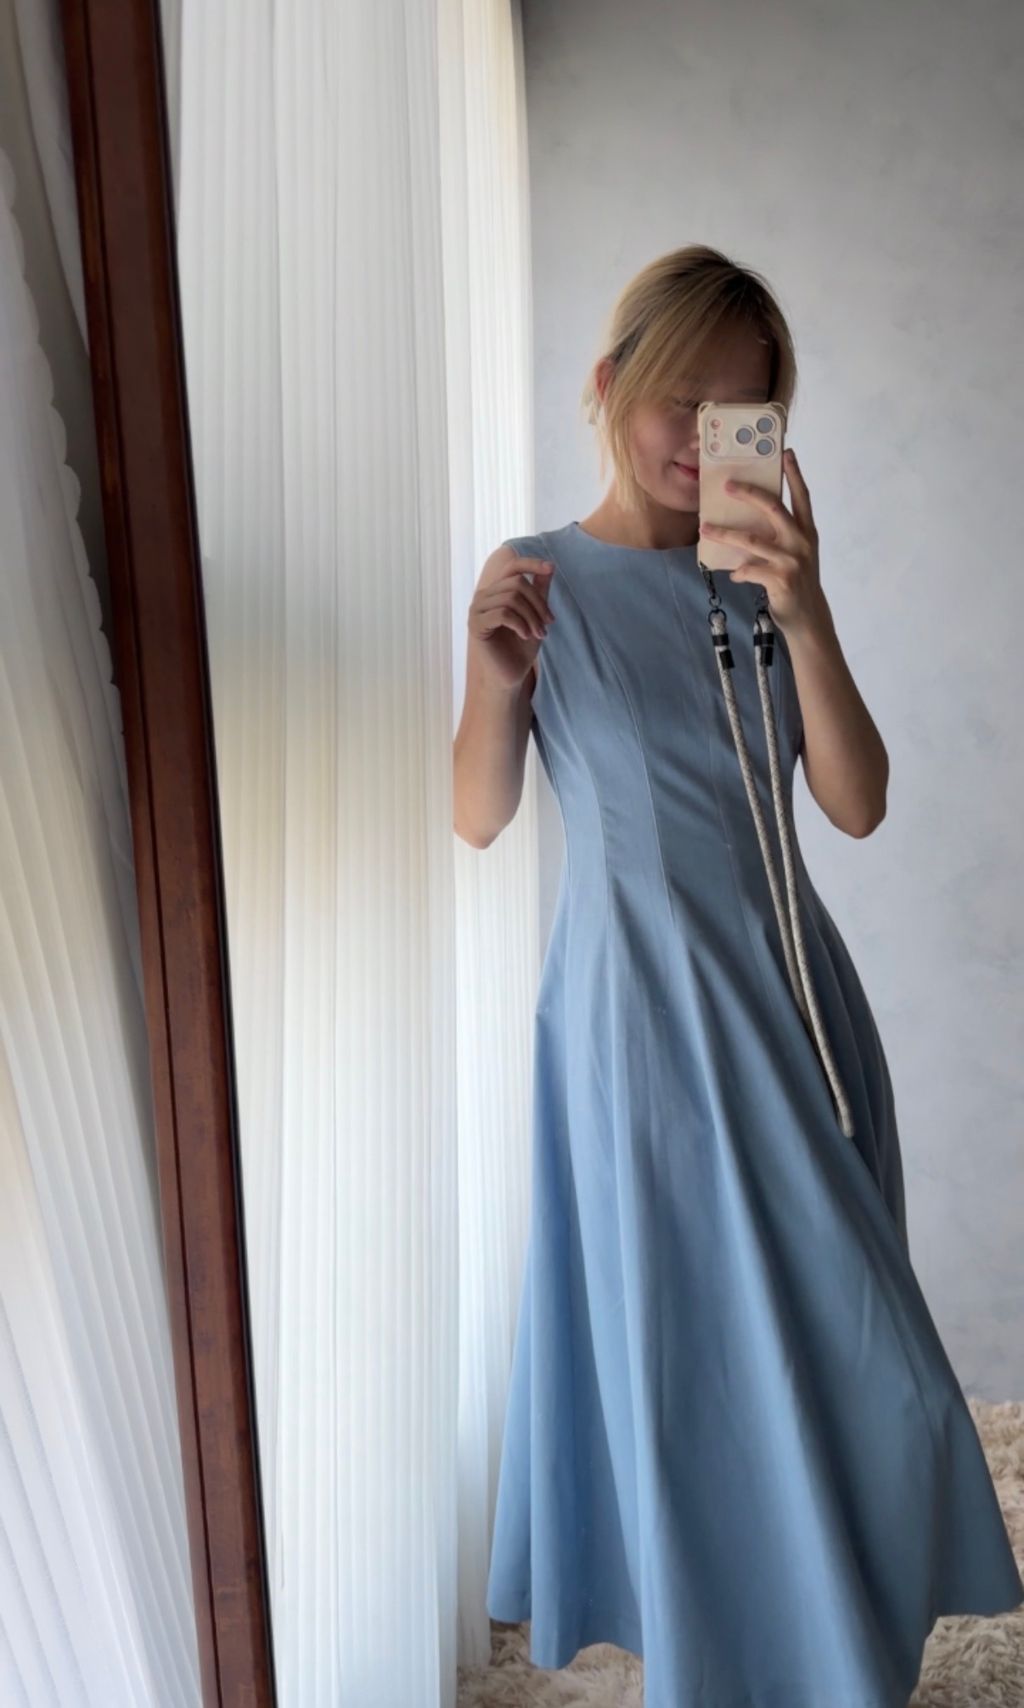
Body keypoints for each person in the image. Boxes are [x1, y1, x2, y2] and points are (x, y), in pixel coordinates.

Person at [453, 245, 1023, 1708]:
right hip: (640, 1026)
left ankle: (845, 1645)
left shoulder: (763, 582)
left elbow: (856, 804)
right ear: (608, 385)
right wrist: (493, 682)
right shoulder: (539, 579)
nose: (704, 438)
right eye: (680, 399)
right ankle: (724, 1662)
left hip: (796, 1010)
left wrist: (808, 607)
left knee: (862, 1363)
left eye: (743, 410)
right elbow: (478, 813)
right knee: (694, 1370)